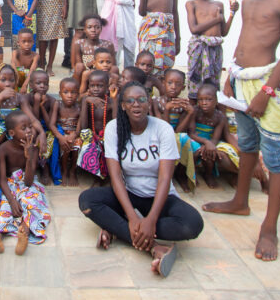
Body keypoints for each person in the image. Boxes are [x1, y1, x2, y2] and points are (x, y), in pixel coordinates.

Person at [202, 0, 280, 262]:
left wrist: (267, 91)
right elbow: (243, 39)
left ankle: (269, 228)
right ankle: (240, 201)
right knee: (247, 145)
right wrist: (231, 73)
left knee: (274, 156)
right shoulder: (247, 1)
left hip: (265, 84)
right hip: (241, 79)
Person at [78, 81, 204, 277]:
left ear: (148, 103)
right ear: (123, 106)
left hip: (159, 198)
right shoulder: (114, 128)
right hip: (128, 196)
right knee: (87, 200)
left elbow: (164, 178)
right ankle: (153, 246)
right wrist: (133, 217)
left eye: (141, 100)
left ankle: (115, 228)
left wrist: (151, 220)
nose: (136, 105)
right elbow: (116, 177)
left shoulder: (162, 129)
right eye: (130, 101)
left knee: (192, 224)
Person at [0, 110, 52, 255]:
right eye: (24, 128)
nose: (29, 131)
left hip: (27, 183)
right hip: (9, 184)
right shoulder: (3, 149)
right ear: (11, 133)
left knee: (32, 202)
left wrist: (29, 158)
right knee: (3, 206)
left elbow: (28, 182)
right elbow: (2, 179)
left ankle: (25, 230)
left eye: (30, 127)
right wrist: (11, 200)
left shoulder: (33, 148)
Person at [185, 0, 238, 99]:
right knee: (196, 82)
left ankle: (211, 112)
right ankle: (194, 110)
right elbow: (194, 29)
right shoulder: (191, 4)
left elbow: (223, 32)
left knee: (212, 83)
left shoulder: (218, 5)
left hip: (215, 49)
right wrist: (216, 19)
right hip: (199, 48)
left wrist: (232, 13)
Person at [137, 0, 180, 83]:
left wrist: (178, 38)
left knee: (165, 64)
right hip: (150, 29)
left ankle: (161, 93)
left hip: (166, 29)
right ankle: (146, 91)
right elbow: (142, 12)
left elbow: (174, 11)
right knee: (147, 61)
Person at [187, 83, 240, 189]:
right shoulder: (195, 111)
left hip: (210, 141)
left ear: (216, 101)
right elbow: (191, 133)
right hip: (196, 139)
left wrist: (209, 144)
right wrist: (205, 143)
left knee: (210, 153)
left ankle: (208, 174)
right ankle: (190, 175)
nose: (204, 103)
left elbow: (216, 137)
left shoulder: (220, 117)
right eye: (201, 100)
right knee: (192, 150)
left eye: (208, 99)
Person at [152, 68, 197, 192]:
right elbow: (163, 128)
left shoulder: (183, 105)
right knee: (173, 140)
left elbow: (180, 130)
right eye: (170, 83)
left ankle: (181, 174)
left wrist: (189, 113)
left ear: (183, 88)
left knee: (183, 139)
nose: (173, 87)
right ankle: (168, 175)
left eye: (178, 84)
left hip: (177, 135)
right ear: (163, 83)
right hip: (160, 134)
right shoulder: (156, 102)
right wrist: (166, 110)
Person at [77, 70, 113, 180]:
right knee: (85, 139)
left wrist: (115, 100)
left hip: (107, 137)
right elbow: (83, 128)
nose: (95, 89)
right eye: (92, 86)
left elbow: (115, 124)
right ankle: (94, 174)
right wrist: (85, 101)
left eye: (100, 86)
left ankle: (105, 177)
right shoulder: (87, 101)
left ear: (107, 87)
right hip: (92, 136)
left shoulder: (111, 102)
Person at [48, 77, 82, 187]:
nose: (69, 95)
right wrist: (60, 137)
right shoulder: (58, 104)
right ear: (60, 93)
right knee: (64, 146)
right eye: (66, 92)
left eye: (73, 92)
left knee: (76, 145)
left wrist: (73, 135)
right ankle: (64, 170)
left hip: (74, 135)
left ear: (78, 94)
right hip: (61, 134)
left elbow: (79, 127)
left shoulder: (79, 107)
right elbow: (52, 124)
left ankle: (72, 170)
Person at [72, 15, 116, 86]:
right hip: (86, 72)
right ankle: (77, 89)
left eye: (97, 27)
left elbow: (113, 64)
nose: (93, 30)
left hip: (104, 70)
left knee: (114, 69)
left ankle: (111, 91)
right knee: (79, 66)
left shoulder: (108, 45)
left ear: (101, 29)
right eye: (89, 27)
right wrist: (90, 65)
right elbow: (76, 65)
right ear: (84, 29)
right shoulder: (79, 44)